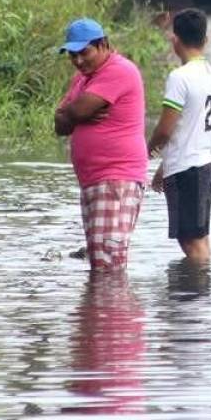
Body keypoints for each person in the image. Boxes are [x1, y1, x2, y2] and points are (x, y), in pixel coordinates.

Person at [55, 18, 147, 272]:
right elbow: (60, 125)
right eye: (73, 55)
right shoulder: (82, 79)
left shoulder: (119, 70)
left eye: (84, 53)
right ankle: (102, 312)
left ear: (103, 44)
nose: (78, 61)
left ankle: (111, 311)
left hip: (116, 179)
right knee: (100, 261)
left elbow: (76, 110)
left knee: (108, 264)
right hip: (94, 181)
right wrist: (71, 114)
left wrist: (73, 113)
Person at [148, 9, 211, 263]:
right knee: (198, 237)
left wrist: (147, 153)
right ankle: (199, 294)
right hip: (202, 163)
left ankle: (196, 296)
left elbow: (166, 129)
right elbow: (189, 128)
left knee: (191, 241)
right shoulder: (209, 72)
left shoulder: (180, 77)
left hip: (188, 168)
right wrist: (164, 166)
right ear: (205, 39)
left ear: (174, 40)